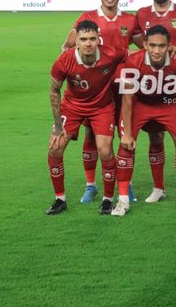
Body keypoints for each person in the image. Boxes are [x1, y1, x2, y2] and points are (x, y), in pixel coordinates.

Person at [61, 0, 137, 204]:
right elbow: (67, 46)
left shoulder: (130, 20)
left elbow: (146, 47)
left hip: (122, 87)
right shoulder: (87, 18)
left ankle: (126, 184)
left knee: (125, 134)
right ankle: (91, 185)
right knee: (91, 134)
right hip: (96, 88)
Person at [112, 25, 176, 216]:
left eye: (161, 46)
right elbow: (127, 97)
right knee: (126, 145)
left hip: (167, 104)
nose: (157, 50)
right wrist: (126, 133)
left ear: (169, 46)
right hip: (140, 103)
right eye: (152, 46)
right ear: (144, 45)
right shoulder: (134, 61)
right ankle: (123, 200)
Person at [46, 20, 126, 215]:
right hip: (73, 107)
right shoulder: (64, 60)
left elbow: (138, 55)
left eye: (92, 39)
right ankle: (60, 199)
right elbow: (54, 91)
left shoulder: (112, 53)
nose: (88, 43)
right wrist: (57, 125)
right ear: (77, 41)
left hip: (102, 107)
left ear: (99, 39)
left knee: (105, 151)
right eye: (83, 39)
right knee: (55, 148)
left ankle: (108, 199)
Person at [130, 0, 176, 203]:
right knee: (155, 138)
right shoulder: (142, 14)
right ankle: (159, 188)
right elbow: (138, 40)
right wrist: (157, 52)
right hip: (150, 86)